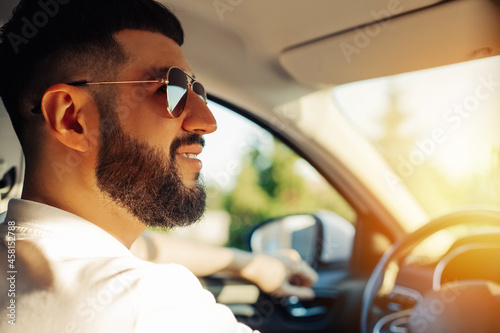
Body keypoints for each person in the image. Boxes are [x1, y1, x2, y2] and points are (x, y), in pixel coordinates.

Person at [0, 0, 316, 332]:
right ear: (71, 118)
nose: (207, 121)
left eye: (198, 91)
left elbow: (148, 247)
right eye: (172, 88)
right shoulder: (148, 305)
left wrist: (249, 264)